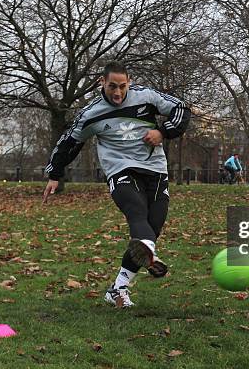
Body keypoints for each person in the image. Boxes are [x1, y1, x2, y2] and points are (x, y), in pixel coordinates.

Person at [43, 61, 191, 307]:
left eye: (123, 86)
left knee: (152, 229)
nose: (118, 93)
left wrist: (163, 132)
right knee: (136, 211)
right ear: (102, 82)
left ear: (129, 83)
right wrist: (55, 173)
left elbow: (181, 108)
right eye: (112, 86)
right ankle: (149, 256)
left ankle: (118, 288)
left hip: (155, 172)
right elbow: (69, 142)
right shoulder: (91, 114)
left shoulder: (146, 97)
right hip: (121, 170)